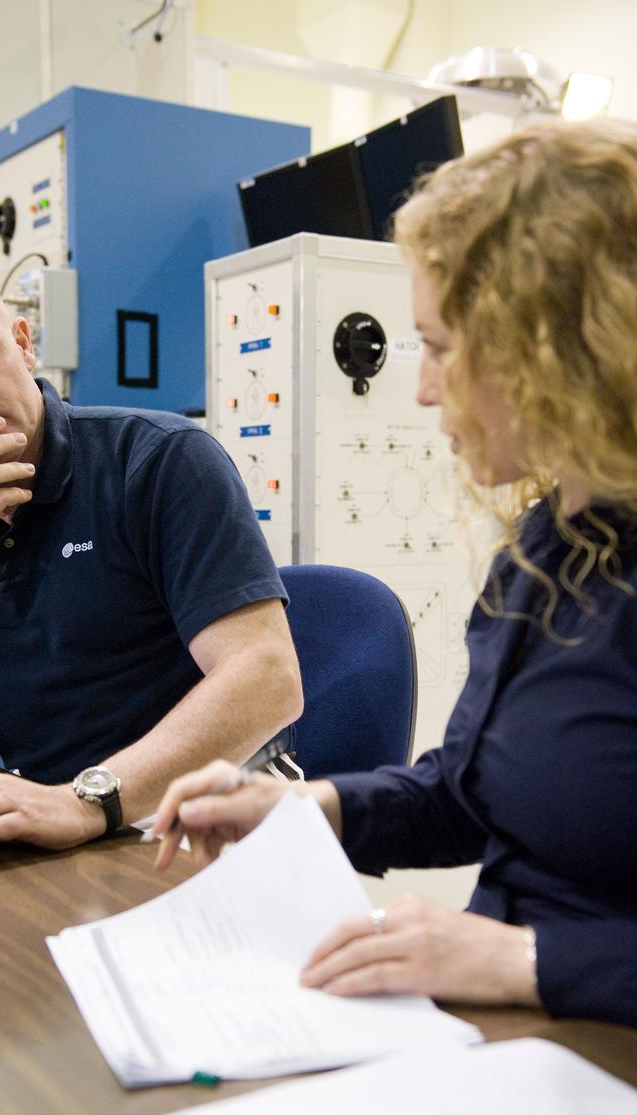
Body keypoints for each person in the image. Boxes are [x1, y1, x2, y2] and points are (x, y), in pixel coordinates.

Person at [151, 119, 637, 1030]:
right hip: (511, 1039)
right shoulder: (548, 543)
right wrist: (300, 808)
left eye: (444, 348)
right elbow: (468, 791)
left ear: (566, 347)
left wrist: (526, 960)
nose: (421, 388)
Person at [0, 258, 302, 865]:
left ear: (23, 344)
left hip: (205, 810)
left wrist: (86, 801)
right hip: (48, 826)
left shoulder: (160, 460)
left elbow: (268, 681)